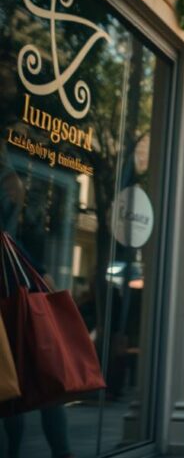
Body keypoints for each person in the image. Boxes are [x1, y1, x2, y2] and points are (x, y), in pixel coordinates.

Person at [1, 158, 73, 458]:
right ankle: (61, 452)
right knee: (37, 387)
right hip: (22, 301)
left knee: (13, 389)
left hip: (18, 302)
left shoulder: (17, 236)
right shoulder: (17, 235)